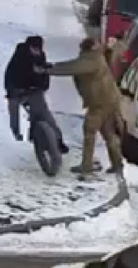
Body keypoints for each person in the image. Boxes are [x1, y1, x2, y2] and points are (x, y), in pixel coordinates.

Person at [42, 37, 124, 179]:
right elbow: (75, 64)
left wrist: (49, 70)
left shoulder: (91, 60)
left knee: (89, 129)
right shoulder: (96, 57)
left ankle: (87, 165)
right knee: (107, 132)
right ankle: (117, 164)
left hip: (100, 102)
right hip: (109, 99)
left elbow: (73, 67)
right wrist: (51, 67)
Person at [4, 36, 69, 154]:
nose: (36, 52)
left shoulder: (40, 56)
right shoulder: (20, 56)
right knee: (14, 109)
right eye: (34, 49)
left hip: (34, 90)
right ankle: (16, 132)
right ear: (29, 47)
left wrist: (43, 84)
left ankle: (58, 141)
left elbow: (44, 72)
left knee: (45, 114)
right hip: (16, 89)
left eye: (38, 49)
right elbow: (13, 76)